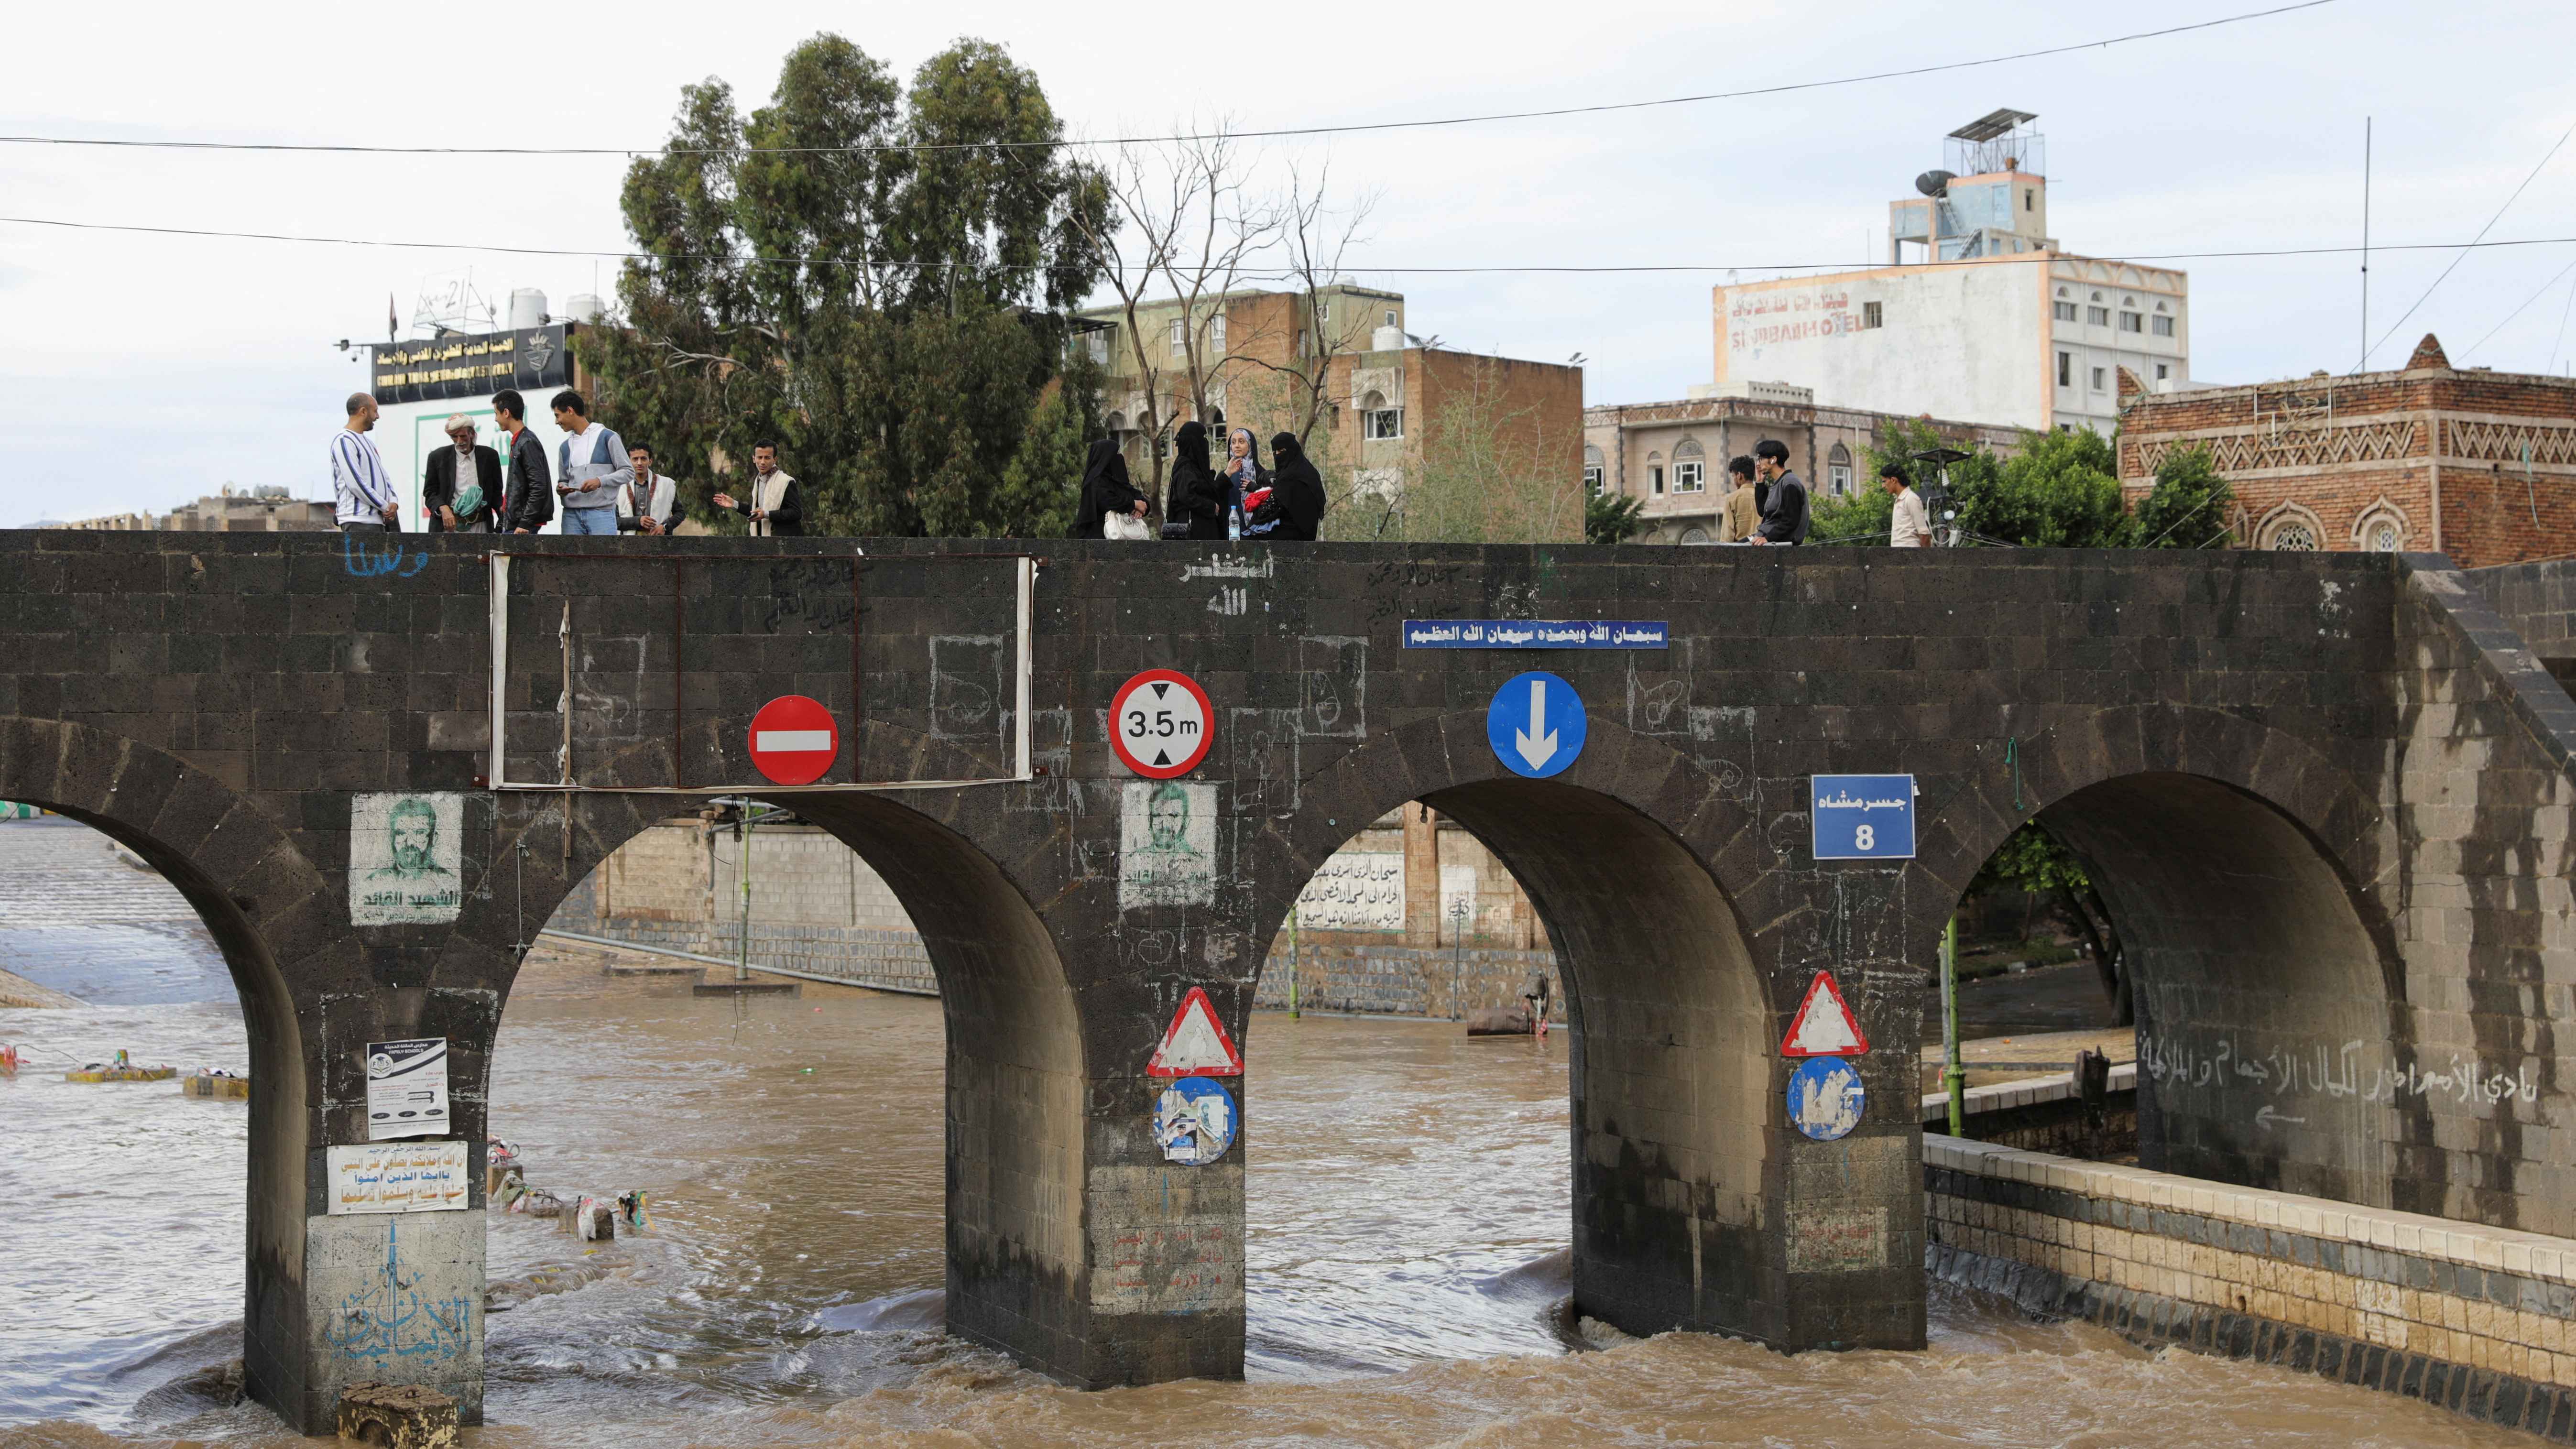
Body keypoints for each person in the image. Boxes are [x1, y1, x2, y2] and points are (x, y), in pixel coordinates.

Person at [550, 390, 631, 537]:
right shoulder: (564, 447)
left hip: (602, 513)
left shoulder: (608, 437)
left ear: (570, 411)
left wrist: (599, 481)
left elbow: (627, 471)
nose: (557, 422)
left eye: (557, 415)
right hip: (571, 516)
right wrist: (561, 488)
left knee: (604, 559)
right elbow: (563, 480)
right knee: (572, 560)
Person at [330, 393, 401, 532]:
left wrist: (394, 502)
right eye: (375, 411)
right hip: (359, 520)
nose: (377, 416)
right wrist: (385, 506)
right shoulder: (345, 441)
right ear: (363, 411)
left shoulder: (369, 443)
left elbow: (384, 477)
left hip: (379, 520)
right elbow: (356, 484)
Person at [422, 415, 500, 534]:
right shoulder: (438, 457)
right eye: (455, 437)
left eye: (463, 436)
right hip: (449, 528)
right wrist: (443, 508)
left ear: (472, 434)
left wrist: (504, 515)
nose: (459, 441)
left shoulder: (489, 456)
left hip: (481, 526)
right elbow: (430, 493)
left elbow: (496, 493)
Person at [492, 389, 553, 534]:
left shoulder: (527, 442)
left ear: (506, 413)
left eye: (496, 413)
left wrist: (525, 523)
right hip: (517, 523)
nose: (495, 419)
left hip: (522, 527)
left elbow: (538, 486)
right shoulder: (520, 441)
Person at [1246, 432, 1325, 541]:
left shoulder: (1290, 476)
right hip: (1307, 533)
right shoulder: (1309, 471)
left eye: (1281, 451)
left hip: (1294, 533)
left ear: (1292, 450)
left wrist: (1255, 518)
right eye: (1275, 452)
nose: (1278, 455)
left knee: (1248, 536)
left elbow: (1270, 508)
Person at [712, 441, 803, 536]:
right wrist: (734, 504)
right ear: (754, 459)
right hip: (763, 543)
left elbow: (796, 513)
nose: (763, 462)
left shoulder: (786, 481)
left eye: (767, 458)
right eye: (760, 457)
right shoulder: (759, 480)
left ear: (775, 459)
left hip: (785, 543)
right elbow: (756, 512)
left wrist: (766, 514)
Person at [1069, 437, 1147, 539]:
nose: (1120, 457)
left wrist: (1141, 507)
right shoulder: (1095, 482)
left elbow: (1137, 496)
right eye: (1116, 453)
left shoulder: (1119, 482)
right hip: (1099, 540)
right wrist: (1134, 505)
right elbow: (1108, 501)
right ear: (1106, 457)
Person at [1165, 420, 1225, 539]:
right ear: (1194, 442)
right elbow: (1186, 496)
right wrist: (1211, 507)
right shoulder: (1185, 467)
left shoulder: (1192, 467)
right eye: (1203, 438)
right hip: (1193, 532)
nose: (1205, 442)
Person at [1746, 438, 1809, 546]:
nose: (1758, 463)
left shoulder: (1790, 483)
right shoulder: (1778, 483)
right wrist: (1760, 482)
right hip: (1767, 536)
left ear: (1773, 460)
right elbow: (1763, 511)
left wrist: (1768, 538)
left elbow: (1791, 520)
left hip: (1779, 541)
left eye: (1761, 458)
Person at [617, 443, 679, 535]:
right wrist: (638, 521)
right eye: (635, 459)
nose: (639, 463)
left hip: (660, 542)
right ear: (628, 462)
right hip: (627, 543)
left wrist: (665, 527)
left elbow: (680, 513)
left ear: (650, 461)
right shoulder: (619, 486)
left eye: (643, 459)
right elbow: (613, 520)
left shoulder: (666, 484)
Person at [1217, 428, 1265, 536]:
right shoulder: (1226, 474)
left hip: (1256, 532)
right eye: (1233, 442)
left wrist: (1256, 488)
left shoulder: (1261, 473)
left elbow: (1271, 498)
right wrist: (1227, 474)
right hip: (1230, 530)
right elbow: (1215, 495)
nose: (1237, 446)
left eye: (1241, 442)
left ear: (1250, 444)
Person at [1884, 460, 1930, 548]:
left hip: (1911, 555)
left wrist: (1925, 560)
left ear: (1893, 480)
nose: (1883, 486)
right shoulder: (1899, 500)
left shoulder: (1911, 499)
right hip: (1898, 555)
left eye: (1884, 481)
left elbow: (1924, 535)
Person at [1718, 455, 1760, 543]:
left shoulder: (1732, 499)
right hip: (1765, 548)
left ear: (1739, 475)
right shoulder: (1765, 495)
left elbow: (1727, 537)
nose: (1734, 480)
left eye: (1734, 476)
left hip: (1741, 551)